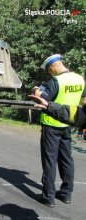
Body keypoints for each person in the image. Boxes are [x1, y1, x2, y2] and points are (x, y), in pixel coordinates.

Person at [33, 54, 86, 208]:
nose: (49, 74)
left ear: (52, 67)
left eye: (49, 71)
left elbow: (43, 101)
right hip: (68, 124)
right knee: (66, 159)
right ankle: (66, 194)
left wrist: (37, 90)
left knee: (50, 161)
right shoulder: (79, 78)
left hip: (51, 125)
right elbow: (84, 102)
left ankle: (48, 197)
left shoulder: (56, 81)